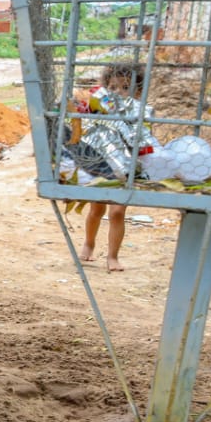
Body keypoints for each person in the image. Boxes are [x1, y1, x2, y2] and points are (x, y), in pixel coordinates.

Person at [69, 62, 147, 272]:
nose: (117, 93)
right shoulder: (100, 108)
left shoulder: (137, 112)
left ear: (138, 92)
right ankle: (89, 242)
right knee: (97, 208)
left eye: (124, 88)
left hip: (126, 167)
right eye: (112, 88)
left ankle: (113, 256)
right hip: (103, 164)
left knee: (118, 212)